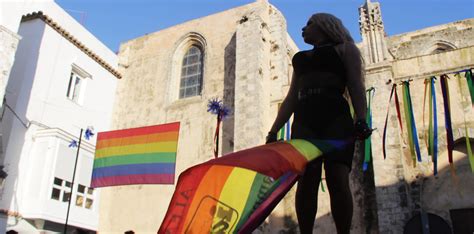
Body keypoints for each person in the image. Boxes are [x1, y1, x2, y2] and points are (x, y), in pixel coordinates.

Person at [266, 13, 372, 234]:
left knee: (337, 178)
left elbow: (355, 85)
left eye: (310, 24)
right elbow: (292, 97)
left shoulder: (346, 49)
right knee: (306, 180)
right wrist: (274, 129)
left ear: (325, 26)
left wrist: (361, 118)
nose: (304, 29)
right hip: (305, 120)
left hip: (335, 117)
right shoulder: (300, 59)